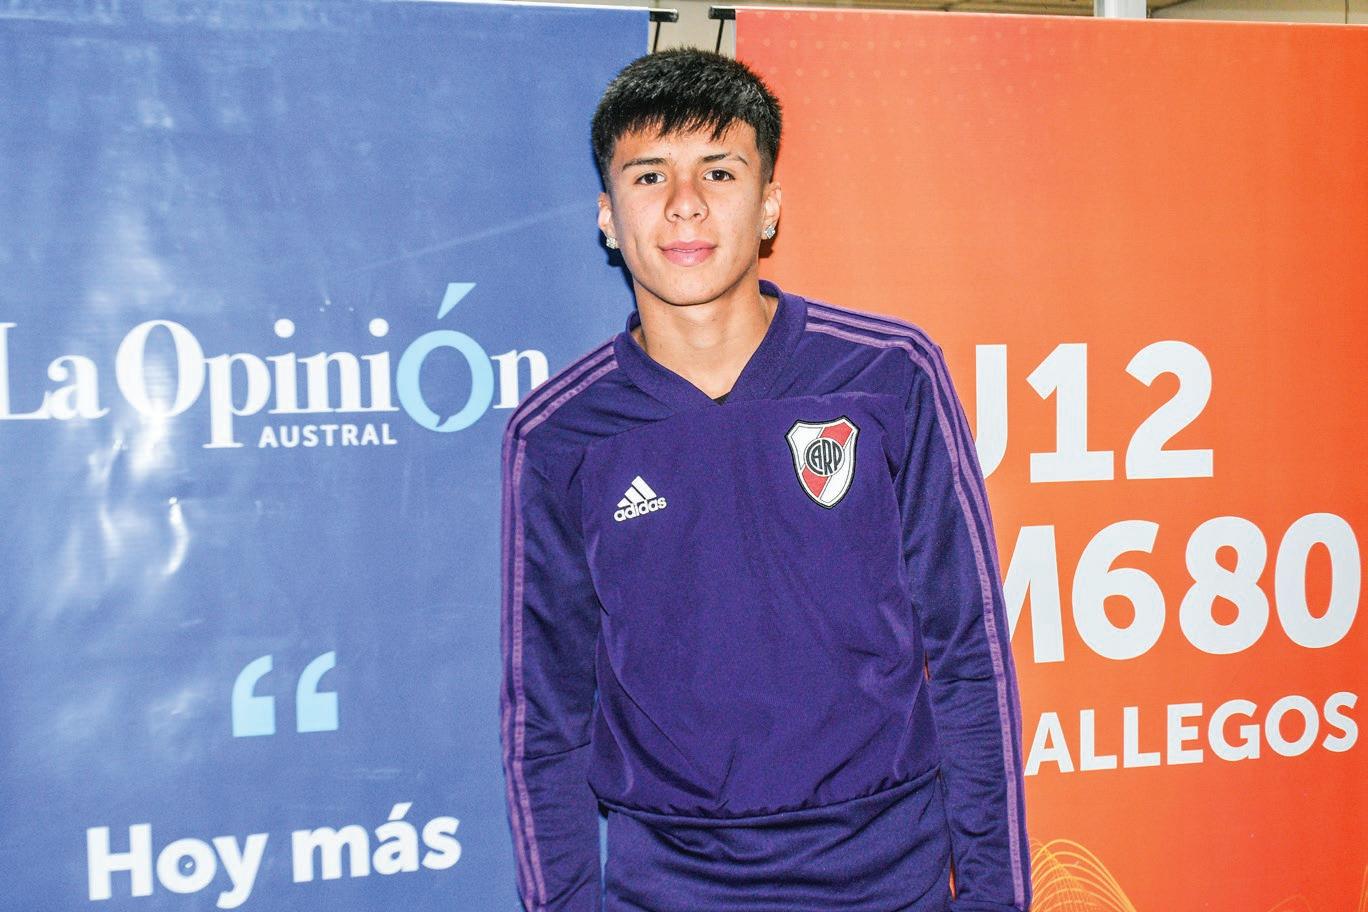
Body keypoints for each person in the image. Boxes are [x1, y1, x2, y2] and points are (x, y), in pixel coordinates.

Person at [500, 48, 1031, 912]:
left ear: (770, 205)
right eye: (648, 175)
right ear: (608, 217)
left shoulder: (889, 376)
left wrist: (995, 897)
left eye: (719, 171)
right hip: (669, 888)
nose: (685, 203)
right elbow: (544, 720)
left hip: (890, 883)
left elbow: (970, 658)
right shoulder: (560, 435)